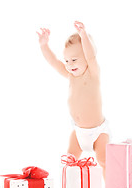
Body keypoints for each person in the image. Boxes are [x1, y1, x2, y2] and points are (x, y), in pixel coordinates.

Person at [37, 21, 110, 179]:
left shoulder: (93, 73)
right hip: (78, 132)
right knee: (69, 160)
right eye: (67, 61)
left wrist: (83, 34)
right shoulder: (70, 76)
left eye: (74, 60)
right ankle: (69, 187)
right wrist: (44, 45)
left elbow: (91, 56)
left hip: (98, 132)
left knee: (104, 160)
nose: (69, 65)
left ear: (86, 57)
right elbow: (54, 62)